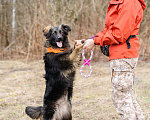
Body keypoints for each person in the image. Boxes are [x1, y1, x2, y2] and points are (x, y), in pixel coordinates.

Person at [75, 0, 146, 120]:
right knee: (127, 98)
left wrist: (95, 41)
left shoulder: (129, 3)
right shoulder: (120, 2)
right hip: (120, 54)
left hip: (124, 55)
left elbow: (118, 33)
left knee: (122, 99)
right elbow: (109, 30)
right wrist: (90, 40)